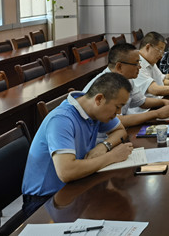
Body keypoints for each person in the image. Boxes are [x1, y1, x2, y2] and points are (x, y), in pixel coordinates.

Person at [21, 73, 134, 217]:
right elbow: (67, 172)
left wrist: (104, 146)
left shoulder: (93, 110)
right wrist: (112, 156)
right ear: (99, 99)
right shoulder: (61, 119)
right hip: (45, 202)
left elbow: (120, 131)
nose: (119, 113)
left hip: (74, 188)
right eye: (118, 107)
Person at [83, 42, 169, 126]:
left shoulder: (126, 79)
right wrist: (156, 113)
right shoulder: (104, 85)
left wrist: (165, 102)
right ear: (119, 67)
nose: (139, 67)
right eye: (136, 63)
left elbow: (142, 101)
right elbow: (117, 121)